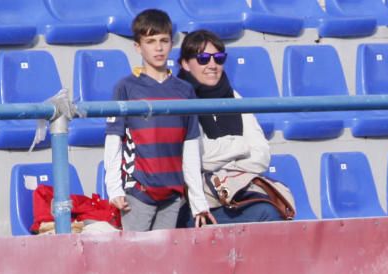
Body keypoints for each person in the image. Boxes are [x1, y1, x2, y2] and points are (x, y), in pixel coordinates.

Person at [104, 9, 214, 231]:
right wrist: (114, 189)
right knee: (134, 256)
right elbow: (114, 141)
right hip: (138, 193)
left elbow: (191, 146)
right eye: (150, 41)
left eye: (164, 40)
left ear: (172, 43)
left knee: (164, 258)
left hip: (173, 195)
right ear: (138, 46)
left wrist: (197, 200)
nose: (158, 47)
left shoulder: (185, 90)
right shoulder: (126, 87)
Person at [176, 30, 285, 225]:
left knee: (269, 211)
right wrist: (242, 148)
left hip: (234, 196)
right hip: (196, 204)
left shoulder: (233, 97)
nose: (212, 65)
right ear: (185, 63)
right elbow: (199, 157)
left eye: (218, 58)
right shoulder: (180, 100)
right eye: (203, 58)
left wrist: (221, 162)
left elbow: (262, 156)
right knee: (266, 214)